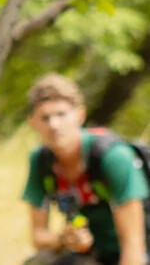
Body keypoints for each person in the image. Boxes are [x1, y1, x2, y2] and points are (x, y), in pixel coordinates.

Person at [22, 74, 148, 265]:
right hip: (94, 253)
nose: (54, 125)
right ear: (32, 122)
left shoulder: (113, 157)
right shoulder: (41, 161)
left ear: (80, 115)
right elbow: (38, 236)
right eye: (45, 118)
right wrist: (65, 240)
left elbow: (134, 246)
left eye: (61, 114)